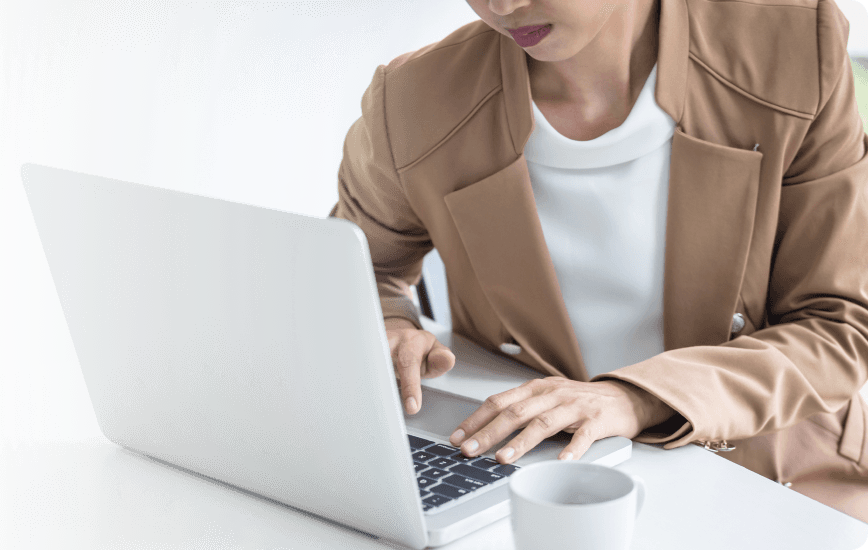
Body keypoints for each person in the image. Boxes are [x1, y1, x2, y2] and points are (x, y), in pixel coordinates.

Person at [329, 0, 868, 522]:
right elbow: (352, 270)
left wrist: (637, 398)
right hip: (541, 485)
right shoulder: (411, 101)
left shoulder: (794, 43)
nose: (502, 3)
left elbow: (837, 323)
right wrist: (389, 324)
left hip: (782, 475)